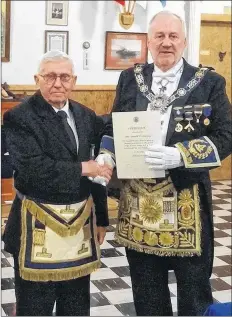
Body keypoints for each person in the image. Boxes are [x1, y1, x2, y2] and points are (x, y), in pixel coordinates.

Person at [92, 11, 232, 316]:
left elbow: (226, 137)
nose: (166, 43)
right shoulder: (130, 78)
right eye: (159, 36)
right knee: (146, 292)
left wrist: (182, 155)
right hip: (137, 205)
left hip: (188, 204)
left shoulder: (209, 82)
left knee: (194, 294)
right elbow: (114, 126)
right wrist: (106, 154)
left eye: (173, 36)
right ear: (149, 42)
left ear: (183, 41)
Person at [3, 50, 113, 316]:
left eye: (64, 77)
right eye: (50, 76)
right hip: (37, 226)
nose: (57, 83)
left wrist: (102, 217)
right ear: (37, 79)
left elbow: (103, 149)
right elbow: (33, 169)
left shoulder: (86, 115)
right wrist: (84, 168)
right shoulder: (19, 117)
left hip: (79, 229)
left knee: (75, 306)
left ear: (74, 80)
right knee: (35, 308)